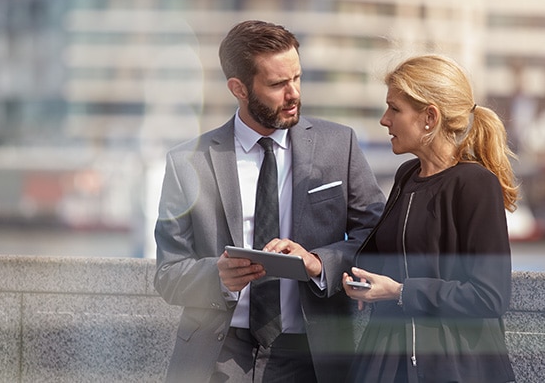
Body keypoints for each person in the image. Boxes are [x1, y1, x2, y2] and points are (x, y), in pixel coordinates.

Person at [153, 20, 385, 383]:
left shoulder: (339, 145)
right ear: (239, 88)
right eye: (278, 84)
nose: (293, 94)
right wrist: (218, 276)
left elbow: (375, 234)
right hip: (217, 356)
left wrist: (318, 263)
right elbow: (168, 275)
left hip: (312, 355)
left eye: (297, 78)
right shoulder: (188, 163)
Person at [342, 54, 518, 383]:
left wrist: (399, 292)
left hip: (456, 369)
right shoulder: (407, 175)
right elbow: (385, 258)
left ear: (429, 117)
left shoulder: (475, 184)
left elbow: (490, 296)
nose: (384, 119)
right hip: (389, 364)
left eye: (395, 109)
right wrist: (353, 277)